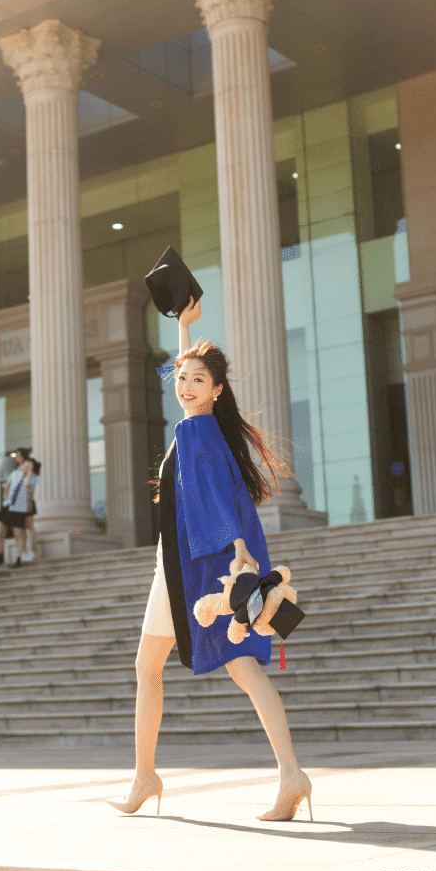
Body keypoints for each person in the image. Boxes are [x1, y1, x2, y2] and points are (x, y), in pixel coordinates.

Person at [107, 297, 313, 822]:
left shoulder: (196, 431)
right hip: (184, 563)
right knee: (159, 667)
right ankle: (150, 775)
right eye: (182, 379)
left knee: (182, 668)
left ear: (217, 390)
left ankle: (283, 774)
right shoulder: (206, 428)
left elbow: (215, 500)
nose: (185, 386)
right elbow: (215, 486)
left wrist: (240, 552)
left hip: (196, 569)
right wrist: (183, 330)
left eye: (198, 381)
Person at [0, 447, 29, 568]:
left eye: (19, 456)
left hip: (19, 507)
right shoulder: (14, 472)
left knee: (17, 533)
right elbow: (8, 484)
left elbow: (29, 486)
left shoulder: (29, 473)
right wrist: (5, 495)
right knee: (2, 532)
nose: (17, 459)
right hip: (8, 505)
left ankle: (18, 558)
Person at [21, 457, 40, 562]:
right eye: (25, 465)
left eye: (27, 465)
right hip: (20, 504)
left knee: (30, 526)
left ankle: (31, 550)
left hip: (28, 502)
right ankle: (24, 552)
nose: (25, 467)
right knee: (22, 528)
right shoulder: (21, 476)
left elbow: (27, 485)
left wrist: (29, 472)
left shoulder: (33, 476)